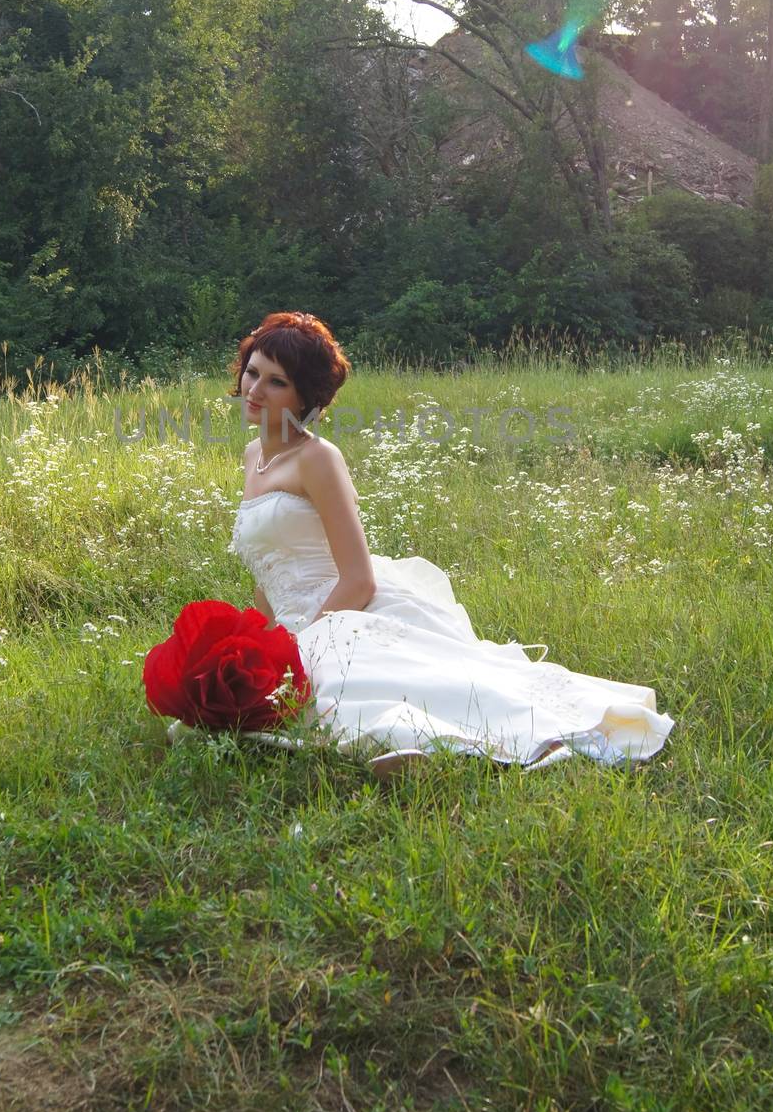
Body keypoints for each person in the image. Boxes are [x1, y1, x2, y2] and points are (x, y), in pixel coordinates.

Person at [220, 310, 674, 778]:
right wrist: (268, 646)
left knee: (358, 691)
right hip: (295, 626)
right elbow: (267, 570)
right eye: (253, 372)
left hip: (342, 612)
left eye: (277, 382)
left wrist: (305, 647)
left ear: (305, 396)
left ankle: (448, 745)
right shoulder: (254, 455)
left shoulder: (318, 458)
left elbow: (358, 578)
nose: (255, 390)